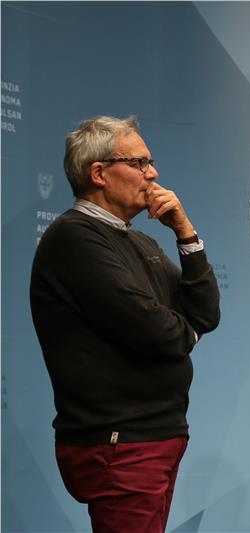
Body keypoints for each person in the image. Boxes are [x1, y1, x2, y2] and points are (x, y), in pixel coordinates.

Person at [30, 116, 220, 532]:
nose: (153, 174)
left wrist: (185, 233)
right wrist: (184, 332)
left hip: (154, 435)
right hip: (119, 442)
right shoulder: (74, 237)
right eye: (139, 162)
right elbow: (160, 333)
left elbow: (205, 313)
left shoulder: (138, 239)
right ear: (99, 173)